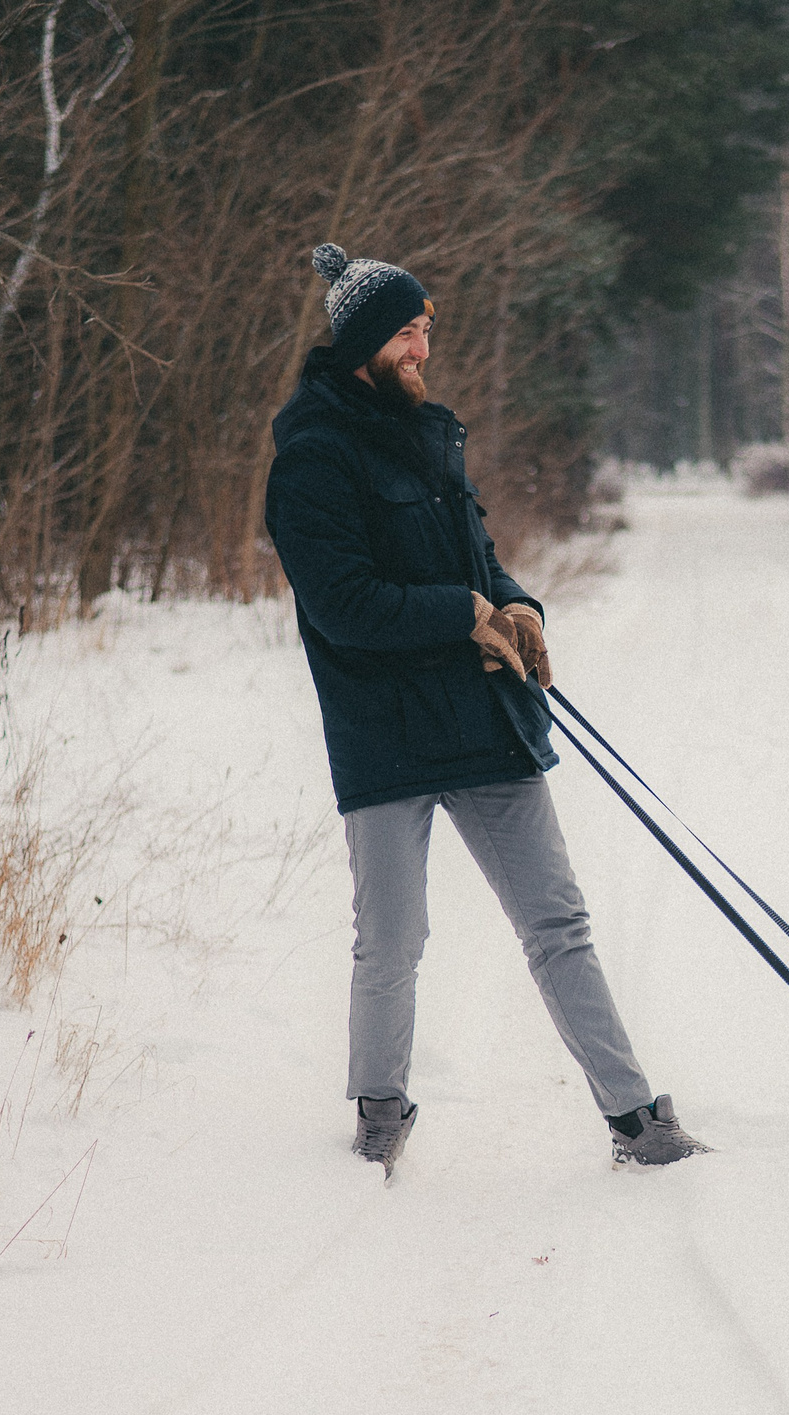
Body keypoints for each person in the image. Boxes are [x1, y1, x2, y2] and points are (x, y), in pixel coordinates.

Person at [263, 242, 706, 1175]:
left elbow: (478, 555)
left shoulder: (430, 432)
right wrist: (460, 612)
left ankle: (636, 1119)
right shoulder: (310, 455)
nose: (425, 347)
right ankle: (377, 1116)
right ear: (369, 342)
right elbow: (342, 603)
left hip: (481, 717)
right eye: (411, 332)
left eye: (427, 330)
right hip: (382, 729)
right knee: (391, 937)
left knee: (558, 922)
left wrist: (515, 603)